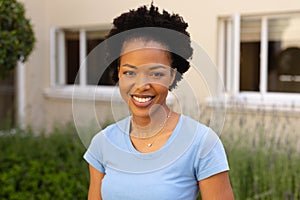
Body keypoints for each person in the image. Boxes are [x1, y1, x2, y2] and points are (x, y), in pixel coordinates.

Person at [83, 4, 234, 200]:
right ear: (118, 72)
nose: (141, 85)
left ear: (172, 76)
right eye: (129, 72)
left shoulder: (201, 143)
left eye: (155, 73)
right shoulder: (102, 143)